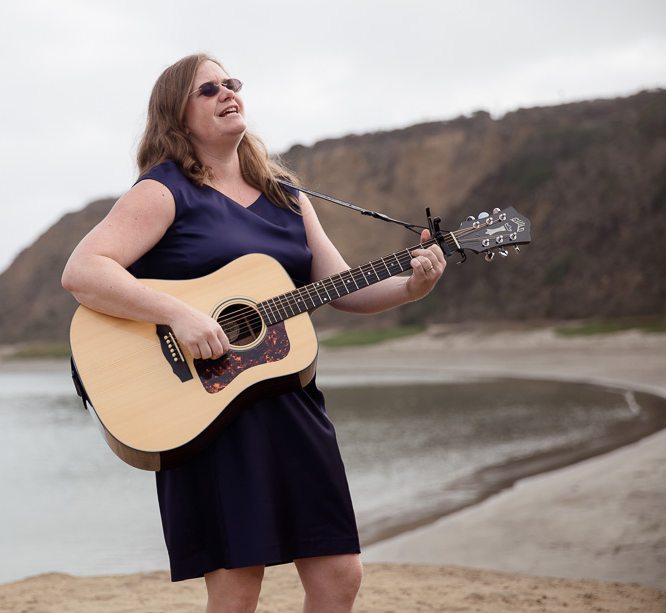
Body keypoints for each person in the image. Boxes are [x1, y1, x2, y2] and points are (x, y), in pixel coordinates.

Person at [61, 53, 445, 613]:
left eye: (231, 83)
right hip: (204, 407)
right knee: (238, 589)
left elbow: (338, 288)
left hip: (289, 399)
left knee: (340, 574)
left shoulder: (287, 194)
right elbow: (84, 271)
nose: (227, 92)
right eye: (208, 89)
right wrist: (179, 314)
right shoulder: (164, 191)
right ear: (176, 115)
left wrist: (411, 288)